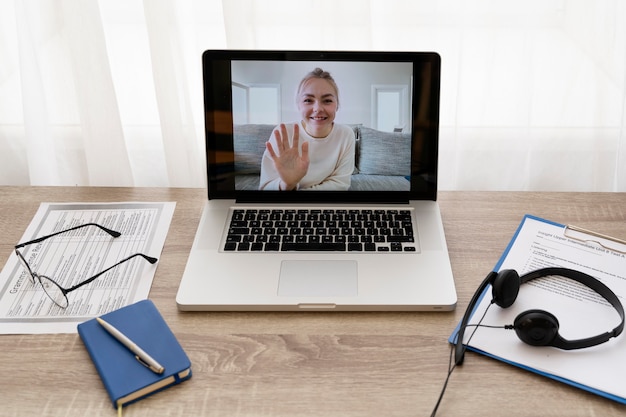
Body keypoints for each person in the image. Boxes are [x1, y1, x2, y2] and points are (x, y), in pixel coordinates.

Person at [259, 68, 355, 191]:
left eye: (327, 101)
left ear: (337, 105)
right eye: (308, 100)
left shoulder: (346, 135)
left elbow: (340, 184)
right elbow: (264, 188)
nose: (318, 108)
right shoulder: (282, 133)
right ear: (298, 105)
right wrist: (287, 184)